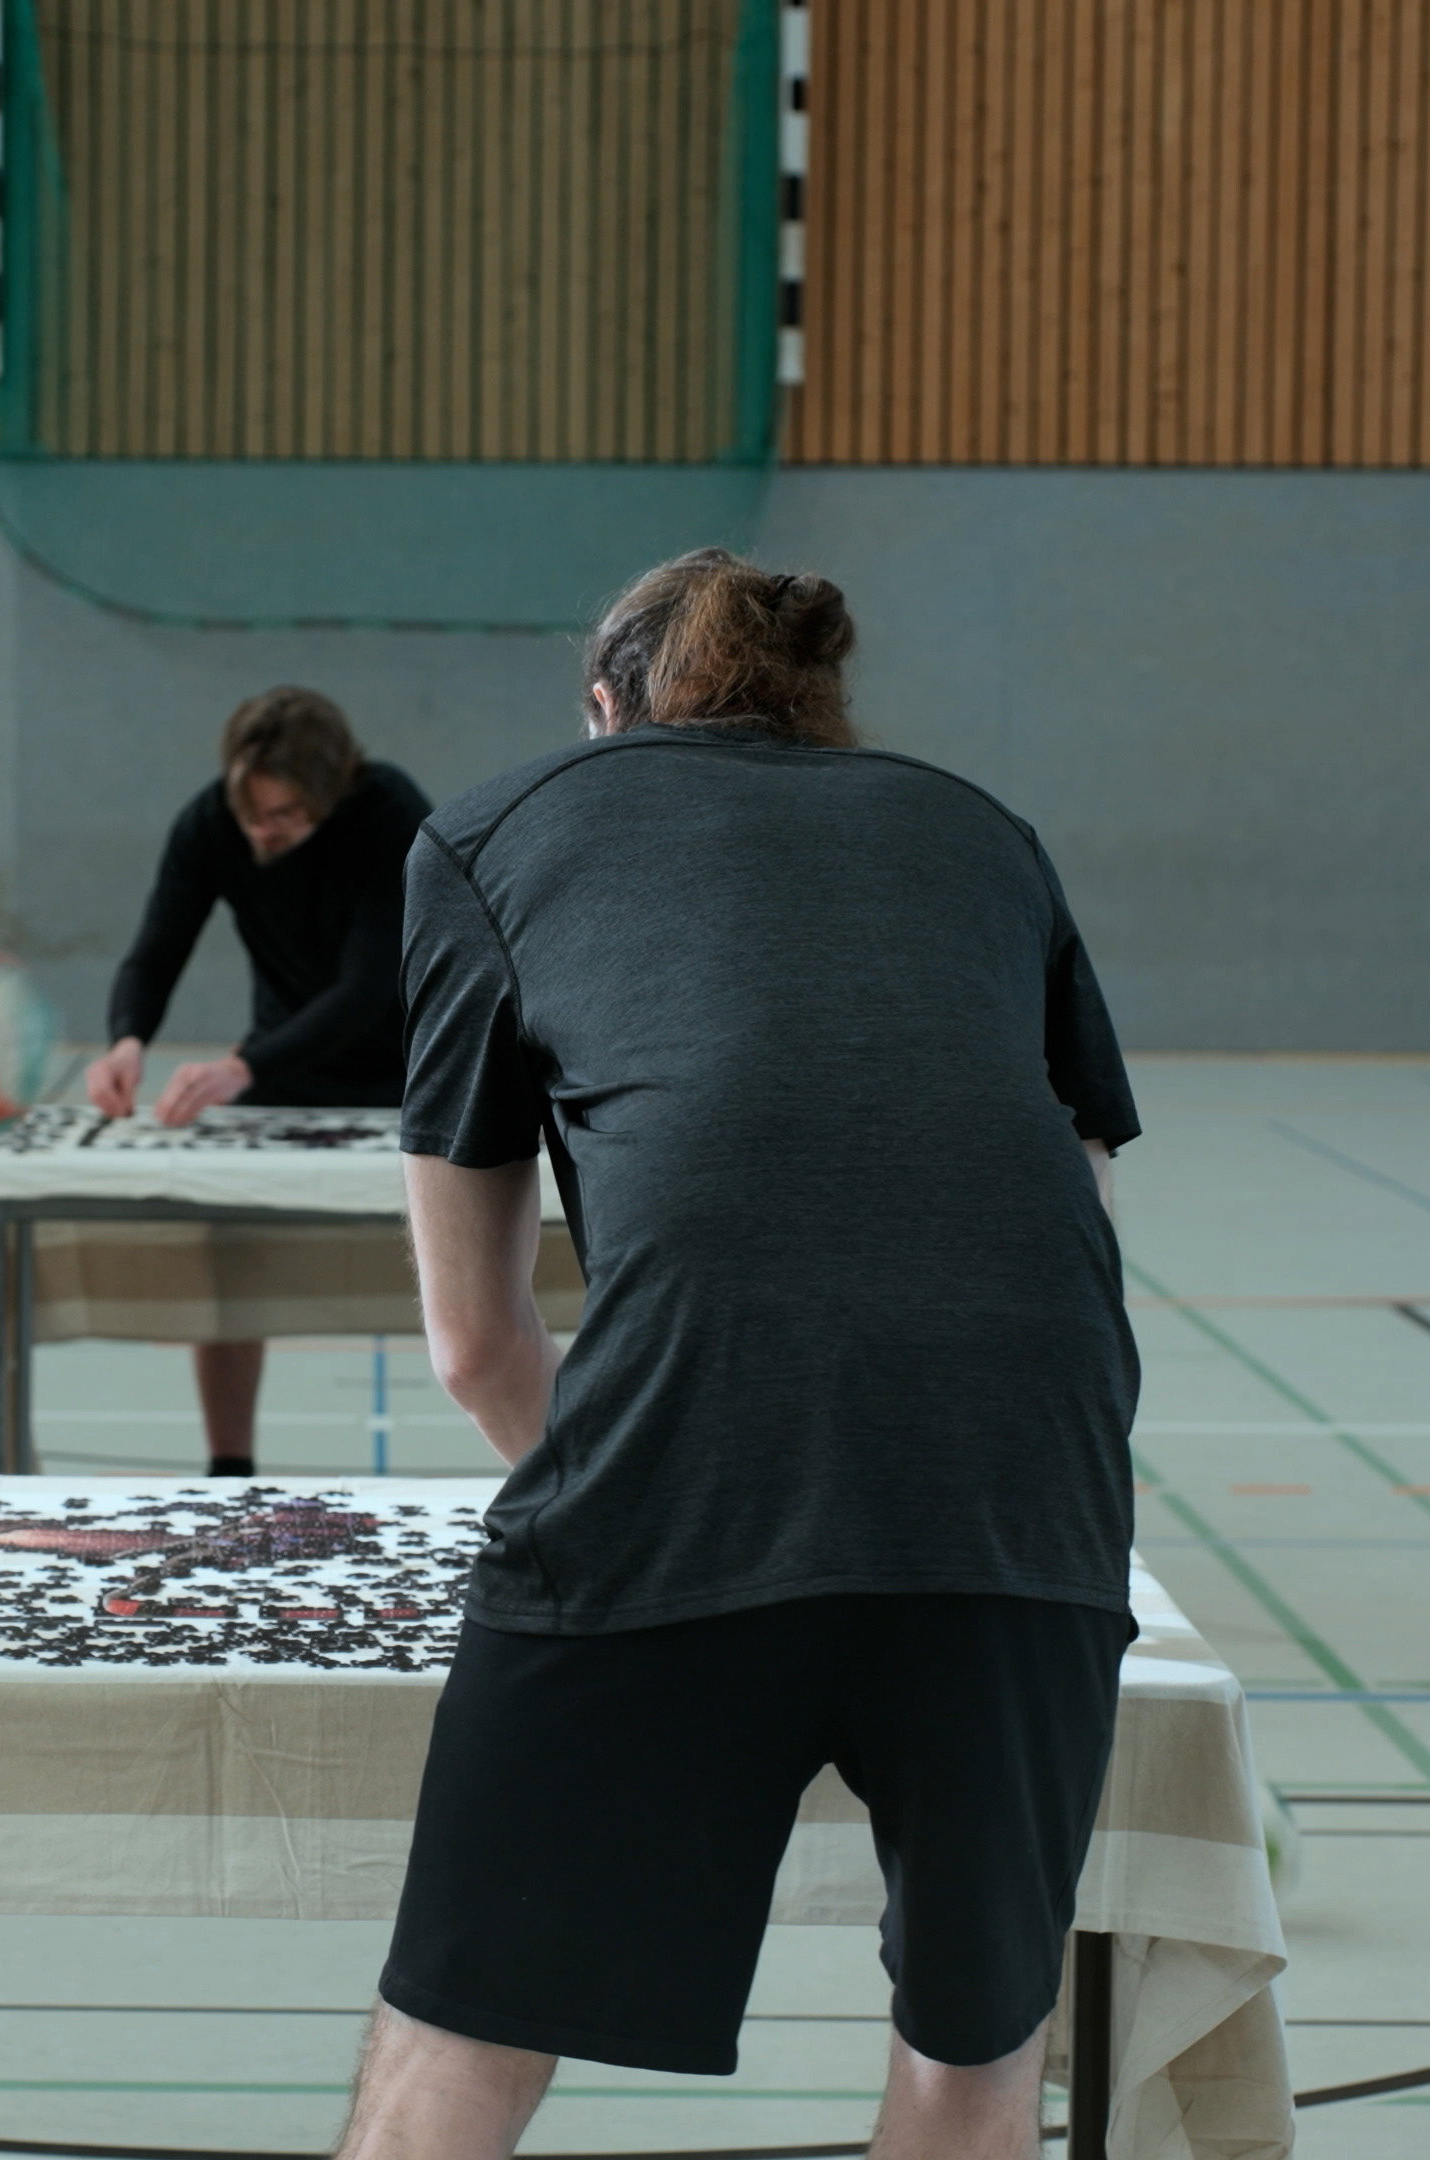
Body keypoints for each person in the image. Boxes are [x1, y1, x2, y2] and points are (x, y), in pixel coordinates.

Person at [343, 551, 1141, 2160]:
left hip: (692, 1470)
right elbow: (1075, 1219)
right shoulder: (987, 835)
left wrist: (667, 1506)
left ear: (605, 709)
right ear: (823, 706)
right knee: (978, 2054)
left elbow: (475, 1341)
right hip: (1025, 1497)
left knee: (463, 2036)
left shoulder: (490, 836)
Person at [86, 687, 434, 1478]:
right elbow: (155, 950)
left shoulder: (390, 813)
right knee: (230, 1259)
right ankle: (229, 1468)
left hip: (408, 1069)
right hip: (285, 1064)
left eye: (283, 815)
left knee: (465, 1271)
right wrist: (127, 1041)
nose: (261, 831)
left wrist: (242, 1065)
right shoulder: (211, 823)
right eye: (251, 811)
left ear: (331, 792)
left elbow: (368, 986)